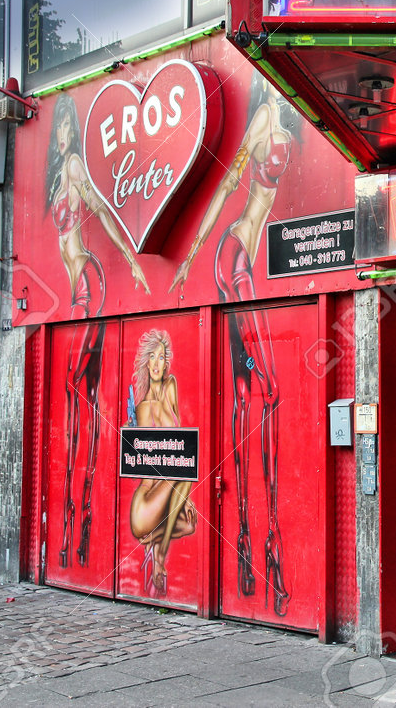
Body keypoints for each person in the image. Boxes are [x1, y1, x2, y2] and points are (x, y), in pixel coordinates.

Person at [170, 74, 294, 616]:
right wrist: (193, 252)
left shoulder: (291, 120)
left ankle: (250, 548)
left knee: (250, 399)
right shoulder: (266, 118)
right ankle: (261, 547)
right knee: (266, 394)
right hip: (237, 253)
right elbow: (225, 189)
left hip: (249, 258)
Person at [46, 93, 150, 569]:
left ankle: (79, 526)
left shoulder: (72, 168)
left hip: (89, 283)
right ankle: (79, 533)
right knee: (81, 407)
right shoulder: (54, 178)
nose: (65, 133)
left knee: (75, 397)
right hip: (72, 295)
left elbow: (103, 214)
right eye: (61, 126)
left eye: (69, 124)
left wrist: (131, 259)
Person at [127, 330, 197, 597]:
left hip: (163, 495)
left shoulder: (171, 386)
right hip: (144, 503)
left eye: (162, 357)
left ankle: (152, 541)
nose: (157, 363)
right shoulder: (143, 408)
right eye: (153, 358)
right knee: (185, 468)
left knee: (190, 525)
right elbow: (153, 463)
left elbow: (177, 438)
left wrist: (183, 498)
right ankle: (159, 558)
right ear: (146, 363)